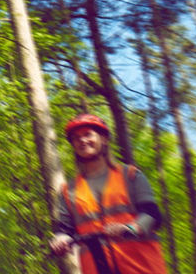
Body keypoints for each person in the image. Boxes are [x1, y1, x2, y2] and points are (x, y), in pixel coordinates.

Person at [49, 113, 168, 274]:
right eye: (76, 138)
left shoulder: (130, 175)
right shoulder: (67, 191)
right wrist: (60, 240)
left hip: (142, 267)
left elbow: (153, 215)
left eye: (88, 134)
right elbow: (64, 230)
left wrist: (131, 228)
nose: (82, 141)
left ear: (103, 139)